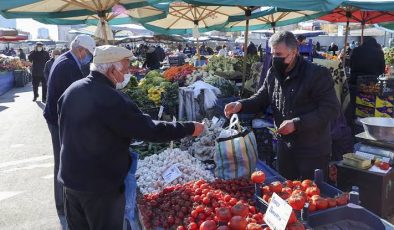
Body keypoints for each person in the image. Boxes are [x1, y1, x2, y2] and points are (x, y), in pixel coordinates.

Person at [58, 45, 204, 229]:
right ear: (112, 70)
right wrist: (189, 128)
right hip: (100, 187)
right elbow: (150, 130)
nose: (127, 75)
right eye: (126, 70)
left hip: (71, 181)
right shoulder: (112, 99)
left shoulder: (72, 90)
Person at [224, 31, 340, 180]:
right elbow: (261, 97)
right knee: (285, 190)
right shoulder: (273, 72)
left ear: (294, 52)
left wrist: (297, 123)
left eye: (279, 55)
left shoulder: (317, 74)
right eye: (272, 54)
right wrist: (240, 105)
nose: (274, 59)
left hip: (312, 149)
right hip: (285, 146)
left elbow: (331, 110)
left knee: (312, 195)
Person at [43, 34, 96, 230]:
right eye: (88, 54)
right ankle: (62, 205)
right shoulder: (67, 65)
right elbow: (74, 97)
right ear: (81, 50)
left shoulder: (65, 59)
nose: (88, 58)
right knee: (63, 162)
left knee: (62, 160)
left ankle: (62, 203)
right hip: (57, 121)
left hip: (55, 117)